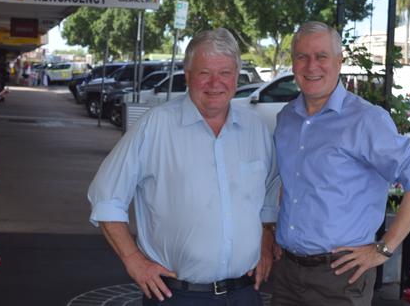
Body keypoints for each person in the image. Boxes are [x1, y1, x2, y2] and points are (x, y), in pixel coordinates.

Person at [88, 28, 279, 306]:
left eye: (225, 73)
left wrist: (265, 238)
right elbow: (106, 197)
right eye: (204, 73)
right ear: (187, 75)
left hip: (244, 294)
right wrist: (133, 260)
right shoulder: (157, 125)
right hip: (177, 295)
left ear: (237, 75)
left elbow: (270, 192)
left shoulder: (255, 129)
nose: (215, 83)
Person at [272, 21, 410, 306]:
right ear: (293, 63)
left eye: (322, 56)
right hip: (287, 272)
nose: (311, 65)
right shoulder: (287, 117)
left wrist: (384, 249)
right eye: (302, 56)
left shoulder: (365, 120)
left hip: (340, 278)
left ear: (339, 61)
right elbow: (289, 185)